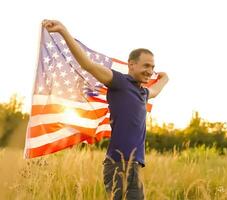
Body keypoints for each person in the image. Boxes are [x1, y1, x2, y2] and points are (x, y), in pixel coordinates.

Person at [42, 19, 169, 199]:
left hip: (134, 166)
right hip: (119, 165)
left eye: (153, 67)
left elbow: (156, 90)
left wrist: (165, 78)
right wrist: (63, 31)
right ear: (131, 64)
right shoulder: (119, 82)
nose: (150, 71)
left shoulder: (143, 93)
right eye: (146, 65)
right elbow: (88, 65)